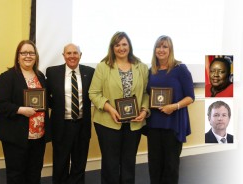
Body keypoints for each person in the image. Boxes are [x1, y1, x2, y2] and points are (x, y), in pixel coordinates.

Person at [89, 31, 150, 184]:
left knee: (129, 163)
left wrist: (144, 110)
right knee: (110, 164)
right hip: (108, 122)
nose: (121, 48)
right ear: (112, 47)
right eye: (117, 45)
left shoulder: (141, 67)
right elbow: (94, 93)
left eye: (124, 44)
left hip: (133, 123)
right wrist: (110, 108)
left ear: (129, 46)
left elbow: (146, 93)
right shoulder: (103, 67)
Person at [0, 40, 51, 184]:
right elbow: (1, 103)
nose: (28, 56)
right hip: (16, 135)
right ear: (18, 56)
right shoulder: (8, 76)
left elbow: (46, 101)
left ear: (36, 56)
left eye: (31, 53)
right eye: (24, 53)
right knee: (16, 174)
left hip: (38, 135)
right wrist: (21, 110)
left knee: (34, 172)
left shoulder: (40, 76)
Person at [145, 35, 194, 184]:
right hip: (154, 125)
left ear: (170, 49)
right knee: (154, 166)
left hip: (173, 124)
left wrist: (173, 106)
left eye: (165, 46)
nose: (161, 50)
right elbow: (146, 95)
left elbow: (190, 97)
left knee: (171, 167)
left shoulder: (180, 69)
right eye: (158, 47)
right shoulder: (150, 71)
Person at [46, 43, 95, 184]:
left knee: (79, 163)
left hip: (82, 125)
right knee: (60, 163)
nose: (72, 56)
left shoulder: (90, 72)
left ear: (80, 55)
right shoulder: (52, 72)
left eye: (75, 53)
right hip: (61, 125)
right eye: (69, 53)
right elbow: (45, 96)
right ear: (63, 56)